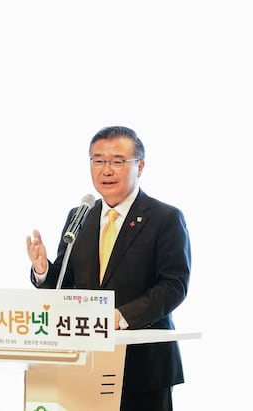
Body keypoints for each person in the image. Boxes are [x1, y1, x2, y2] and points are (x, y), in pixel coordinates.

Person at [26, 126, 191, 411]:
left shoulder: (165, 217)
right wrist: (43, 271)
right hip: (84, 362)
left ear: (140, 166)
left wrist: (120, 317)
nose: (106, 170)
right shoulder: (81, 216)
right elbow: (64, 284)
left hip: (144, 367)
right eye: (98, 160)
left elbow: (174, 285)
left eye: (117, 161)